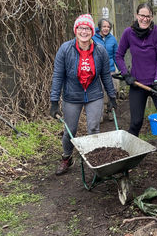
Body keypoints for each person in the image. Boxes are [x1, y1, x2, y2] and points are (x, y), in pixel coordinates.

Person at [50, 14, 117, 176]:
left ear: (92, 31)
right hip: (72, 95)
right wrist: (53, 101)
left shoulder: (100, 51)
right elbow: (58, 75)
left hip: (94, 94)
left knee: (93, 128)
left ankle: (95, 162)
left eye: (87, 28)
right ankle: (66, 157)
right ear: (75, 30)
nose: (84, 31)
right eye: (80, 28)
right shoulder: (66, 49)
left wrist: (112, 97)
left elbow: (106, 76)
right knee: (70, 130)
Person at [115, 3, 157, 136]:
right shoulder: (128, 33)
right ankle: (131, 154)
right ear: (136, 15)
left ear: (152, 17)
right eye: (142, 15)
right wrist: (126, 74)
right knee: (136, 122)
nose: (145, 19)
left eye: (148, 16)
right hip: (137, 83)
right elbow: (119, 55)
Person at [93, 18, 119, 122]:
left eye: (108, 27)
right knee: (100, 93)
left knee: (112, 92)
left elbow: (117, 56)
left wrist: (122, 70)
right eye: (104, 26)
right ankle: (100, 115)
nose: (106, 29)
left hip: (110, 70)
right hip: (97, 71)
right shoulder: (93, 38)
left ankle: (111, 112)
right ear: (99, 27)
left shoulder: (112, 39)